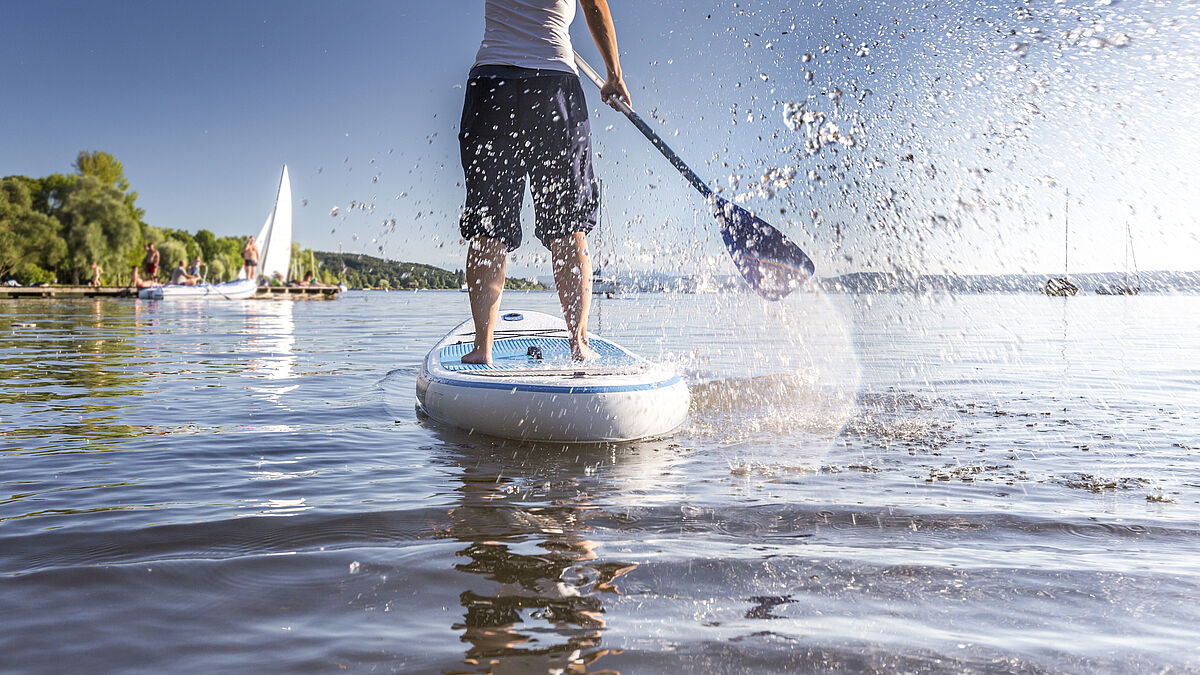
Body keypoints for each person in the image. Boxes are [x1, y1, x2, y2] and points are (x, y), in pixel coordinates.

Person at [458, 0, 629, 364]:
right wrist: (614, 75)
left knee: (489, 226)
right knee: (569, 227)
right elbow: (595, 5)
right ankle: (579, 345)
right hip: (553, 86)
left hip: (492, 86)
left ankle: (482, 348)